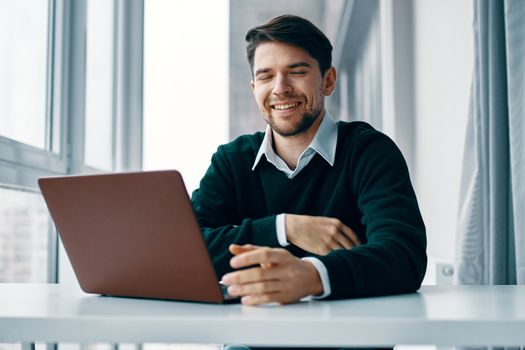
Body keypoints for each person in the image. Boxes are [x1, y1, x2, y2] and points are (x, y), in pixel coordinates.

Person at [191, 14, 427, 308]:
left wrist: (313, 276)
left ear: (328, 81)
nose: (280, 88)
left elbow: (404, 255)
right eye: (266, 76)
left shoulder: (369, 152)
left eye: (296, 71)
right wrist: (285, 228)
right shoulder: (231, 161)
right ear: (254, 89)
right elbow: (187, 250)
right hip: (252, 338)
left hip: (350, 339)